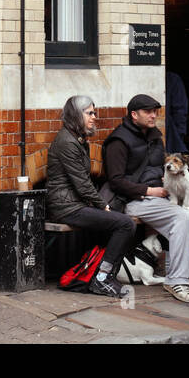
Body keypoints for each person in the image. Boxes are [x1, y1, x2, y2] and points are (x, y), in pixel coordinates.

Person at [102, 95, 189, 303]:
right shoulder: (118, 141)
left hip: (162, 196)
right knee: (182, 217)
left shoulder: (155, 136)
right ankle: (176, 280)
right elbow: (115, 181)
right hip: (134, 200)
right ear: (134, 115)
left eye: (155, 111)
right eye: (148, 112)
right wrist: (149, 190)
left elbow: (160, 169)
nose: (154, 115)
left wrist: (171, 180)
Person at [46, 96, 135, 298]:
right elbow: (83, 184)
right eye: (90, 113)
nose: (94, 117)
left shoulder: (77, 139)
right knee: (125, 224)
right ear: (76, 115)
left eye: (94, 113)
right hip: (66, 208)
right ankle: (102, 279)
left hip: (75, 204)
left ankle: (98, 274)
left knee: (118, 222)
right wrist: (103, 206)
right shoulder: (67, 142)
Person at [165, 71, 189, 155]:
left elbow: (180, 112)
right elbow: (180, 111)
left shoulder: (172, 79)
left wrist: (178, 136)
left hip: (170, 136)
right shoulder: (172, 79)